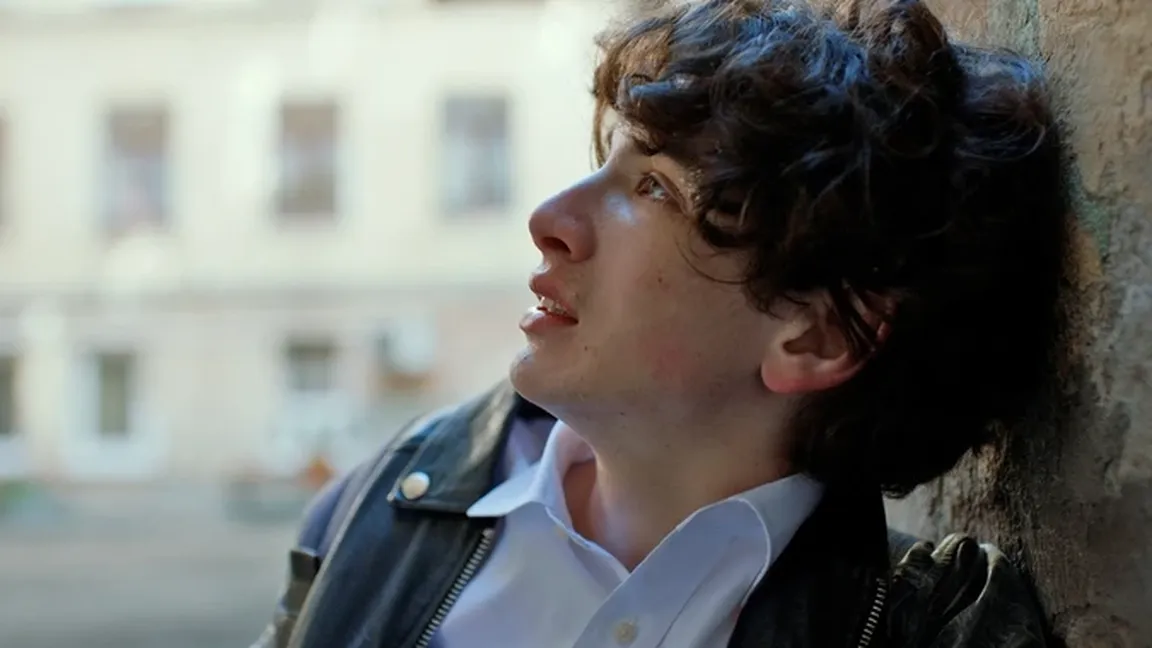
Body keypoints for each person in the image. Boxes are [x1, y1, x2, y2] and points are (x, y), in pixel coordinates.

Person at [255, 0, 1066, 646]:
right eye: (608, 162)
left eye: (656, 189)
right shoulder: (375, 504)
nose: (549, 219)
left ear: (817, 338)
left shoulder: (934, 628)